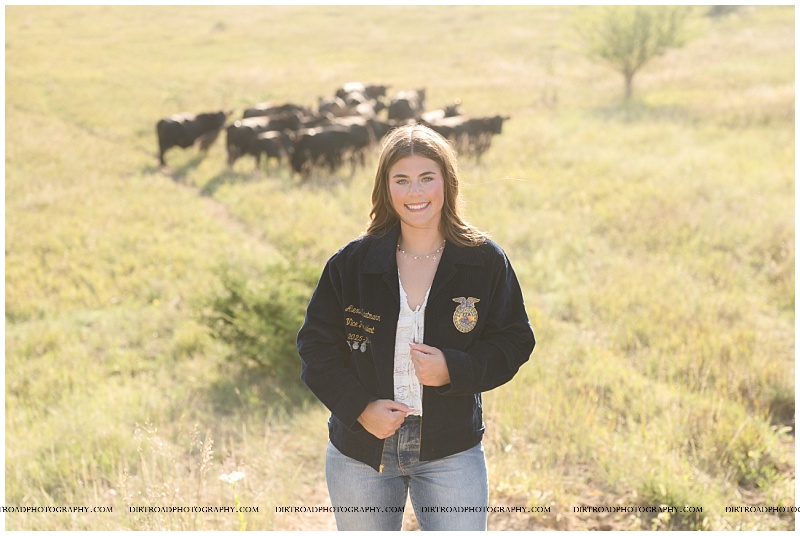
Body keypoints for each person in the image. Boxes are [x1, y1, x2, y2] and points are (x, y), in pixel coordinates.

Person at [296, 124, 535, 531]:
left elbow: (514, 341)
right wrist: (361, 409)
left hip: (451, 449)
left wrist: (453, 369)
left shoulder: (484, 261)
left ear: (447, 182)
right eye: (401, 180)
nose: (415, 193)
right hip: (360, 451)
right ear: (386, 188)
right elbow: (315, 350)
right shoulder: (352, 264)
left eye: (427, 178)